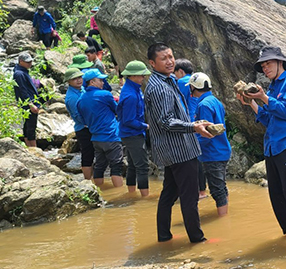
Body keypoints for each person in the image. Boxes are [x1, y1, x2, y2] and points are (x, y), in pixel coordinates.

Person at [237, 46, 286, 246]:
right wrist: (251, 103)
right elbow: (267, 118)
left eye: (269, 63)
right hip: (271, 146)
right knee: (276, 193)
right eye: (263, 65)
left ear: (280, 62)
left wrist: (262, 98)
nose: (266, 68)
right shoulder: (271, 88)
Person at [144, 43, 213, 243]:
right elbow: (165, 122)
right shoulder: (159, 88)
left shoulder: (166, 81)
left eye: (171, 56)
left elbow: (173, 117)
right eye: (164, 58)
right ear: (152, 63)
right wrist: (193, 127)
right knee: (190, 197)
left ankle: (164, 236)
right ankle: (197, 239)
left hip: (175, 149)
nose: (170, 61)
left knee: (169, 194)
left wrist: (194, 123)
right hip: (180, 150)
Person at [190, 72, 232, 217]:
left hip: (212, 153)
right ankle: (224, 215)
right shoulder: (215, 101)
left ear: (195, 87)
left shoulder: (203, 105)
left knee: (216, 189)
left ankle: (223, 219)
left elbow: (206, 134)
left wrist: (193, 147)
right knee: (221, 186)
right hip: (221, 150)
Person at [77, 69, 124, 189]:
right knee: (116, 166)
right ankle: (121, 195)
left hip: (96, 138)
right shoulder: (105, 95)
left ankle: (100, 191)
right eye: (100, 80)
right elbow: (118, 110)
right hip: (111, 136)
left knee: (99, 166)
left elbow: (83, 120)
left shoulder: (80, 100)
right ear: (92, 82)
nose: (103, 82)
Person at [173, 58, 207, 199]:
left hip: (188, 124)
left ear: (180, 71)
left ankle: (191, 192)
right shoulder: (198, 80)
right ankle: (202, 191)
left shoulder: (181, 82)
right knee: (198, 157)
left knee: (188, 159)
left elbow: (177, 104)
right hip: (199, 120)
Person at [118, 61, 151, 197]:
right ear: (133, 76)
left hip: (129, 133)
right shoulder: (131, 95)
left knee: (132, 164)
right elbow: (129, 120)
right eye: (141, 75)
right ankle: (145, 197)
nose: (143, 77)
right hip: (133, 134)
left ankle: (131, 194)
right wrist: (146, 126)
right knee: (143, 166)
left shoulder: (132, 89)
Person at [64, 67, 94, 180]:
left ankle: (93, 179)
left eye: (80, 77)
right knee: (87, 154)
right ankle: (87, 181)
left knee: (93, 153)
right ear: (68, 81)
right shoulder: (71, 97)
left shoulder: (82, 89)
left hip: (89, 126)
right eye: (74, 79)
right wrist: (89, 123)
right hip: (83, 128)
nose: (78, 80)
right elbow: (77, 115)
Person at [13, 52, 40, 147]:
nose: (30, 64)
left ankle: (29, 147)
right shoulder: (19, 74)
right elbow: (23, 90)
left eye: (31, 61)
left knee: (27, 124)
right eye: (27, 62)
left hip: (27, 102)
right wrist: (31, 104)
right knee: (31, 126)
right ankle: (34, 148)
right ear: (21, 61)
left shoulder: (22, 71)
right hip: (28, 103)